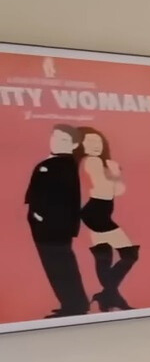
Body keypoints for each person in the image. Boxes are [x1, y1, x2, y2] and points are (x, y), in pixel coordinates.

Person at [23, 125, 89, 317]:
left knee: (60, 265)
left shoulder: (62, 164)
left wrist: (40, 216)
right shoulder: (56, 163)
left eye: (63, 140)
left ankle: (74, 306)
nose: (56, 141)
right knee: (57, 266)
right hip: (48, 225)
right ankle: (73, 304)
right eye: (55, 137)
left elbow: (58, 198)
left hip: (52, 226)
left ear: (74, 144)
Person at [76, 127, 137, 311]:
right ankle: (110, 295)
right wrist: (115, 175)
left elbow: (118, 191)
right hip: (97, 211)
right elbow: (106, 188)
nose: (95, 146)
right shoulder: (92, 161)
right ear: (81, 145)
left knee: (104, 256)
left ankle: (108, 297)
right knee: (129, 254)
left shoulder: (102, 163)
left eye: (98, 142)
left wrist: (113, 176)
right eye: (89, 141)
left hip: (98, 212)